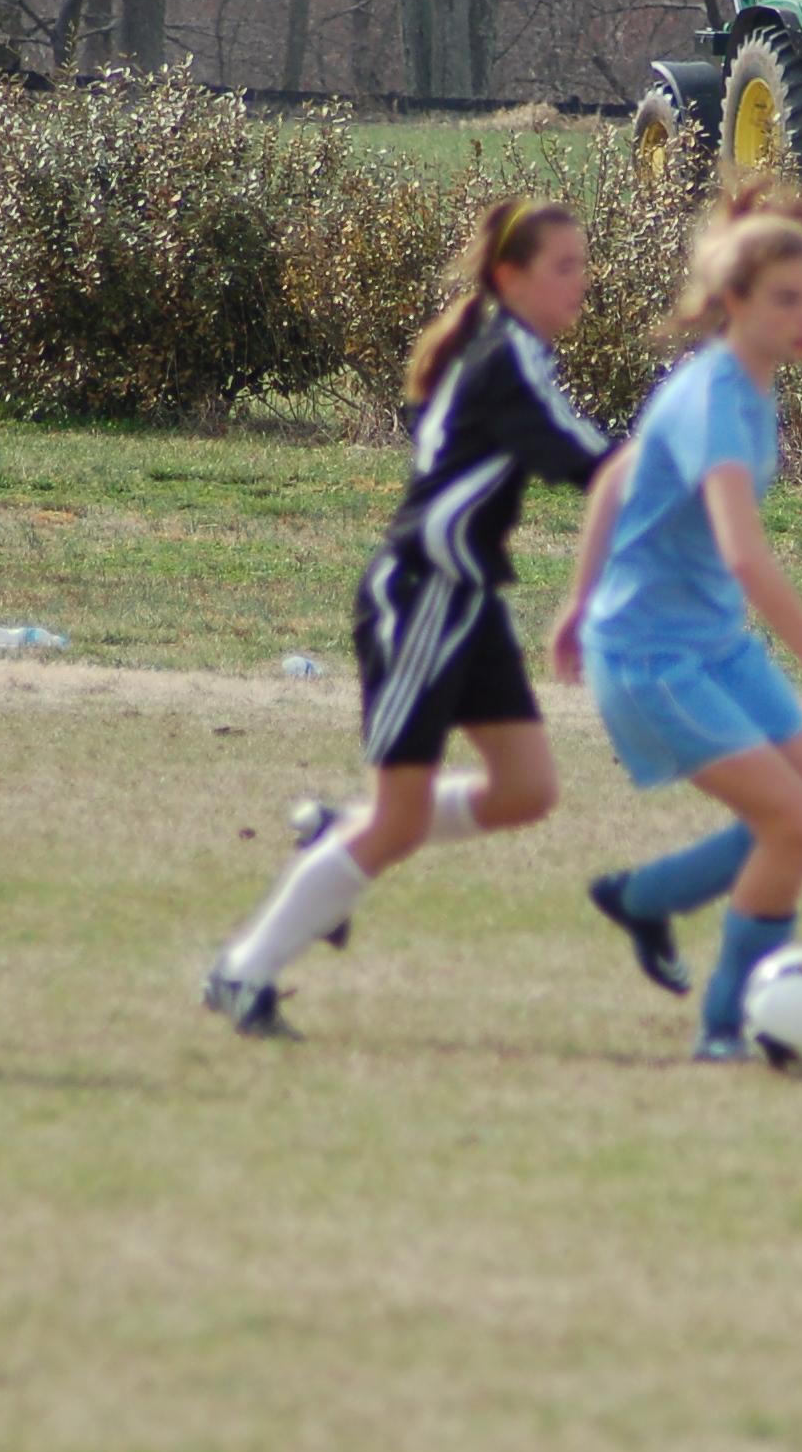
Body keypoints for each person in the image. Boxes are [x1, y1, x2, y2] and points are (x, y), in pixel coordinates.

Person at [204, 196, 618, 1038]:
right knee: (397, 821)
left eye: (583, 264)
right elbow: (589, 462)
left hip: (468, 601)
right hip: (424, 594)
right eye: (565, 267)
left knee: (526, 790)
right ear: (511, 277)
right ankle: (241, 972)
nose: (583, 281)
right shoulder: (507, 357)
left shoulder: (512, 350)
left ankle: (338, 832)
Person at [555, 178, 802, 1062]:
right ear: (734, 301)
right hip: (652, 660)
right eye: (786, 299)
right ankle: (727, 1027)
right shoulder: (716, 398)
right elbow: (745, 556)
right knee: (793, 826)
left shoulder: (749, 383)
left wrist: (577, 596)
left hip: (715, 645)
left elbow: (621, 471)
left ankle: (644, 898)